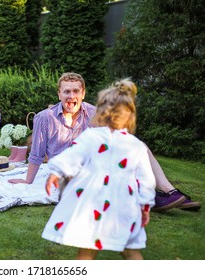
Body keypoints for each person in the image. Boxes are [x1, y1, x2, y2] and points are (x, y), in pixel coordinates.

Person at [9, 72, 201, 212]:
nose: (71, 96)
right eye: (66, 91)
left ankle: (170, 192)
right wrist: (28, 180)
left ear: (83, 93)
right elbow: (36, 154)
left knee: (139, 148)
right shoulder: (44, 118)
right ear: (59, 93)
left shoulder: (94, 112)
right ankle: (151, 197)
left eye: (76, 91)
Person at [42, 78, 156, 260]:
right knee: (130, 249)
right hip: (124, 204)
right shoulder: (137, 146)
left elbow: (72, 156)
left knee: (87, 249)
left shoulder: (91, 137)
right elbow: (146, 181)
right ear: (130, 116)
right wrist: (145, 205)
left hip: (91, 203)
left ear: (101, 112)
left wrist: (56, 171)